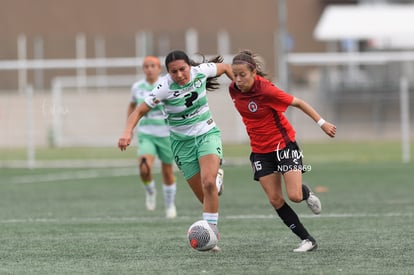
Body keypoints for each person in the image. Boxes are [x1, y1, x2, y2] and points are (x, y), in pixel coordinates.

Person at [119, 50, 232, 251]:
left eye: (182, 69)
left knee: (207, 183)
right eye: (174, 72)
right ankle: (217, 183)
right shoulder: (163, 87)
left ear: (189, 66)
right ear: (168, 72)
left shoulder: (201, 71)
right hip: (181, 143)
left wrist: (241, 87)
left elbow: (224, 67)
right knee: (206, 196)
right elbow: (138, 111)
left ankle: (211, 234)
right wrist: (127, 133)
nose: (179, 75)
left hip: (207, 132)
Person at [228, 50, 336, 252]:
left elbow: (298, 102)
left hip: (283, 146)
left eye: (243, 74)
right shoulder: (234, 88)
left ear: (254, 73)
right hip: (260, 151)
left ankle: (306, 193)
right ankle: (307, 239)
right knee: (275, 199)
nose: (238, 79)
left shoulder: (267, 90)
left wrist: (322, 123)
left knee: (294, 196)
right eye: (235, 75)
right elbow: (226, 71)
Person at [127, 56, 177, 218]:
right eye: (146, 66)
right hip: (146, 134)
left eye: (152, 66)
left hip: (166, 135)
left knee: (167, 172)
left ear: (159, 68)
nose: (149, 69)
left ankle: (170, 205)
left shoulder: (166, 84)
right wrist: (129, 128)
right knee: (143, 167)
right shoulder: (137, 87)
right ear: (143, 69)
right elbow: (133, 106)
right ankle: (150, 191)